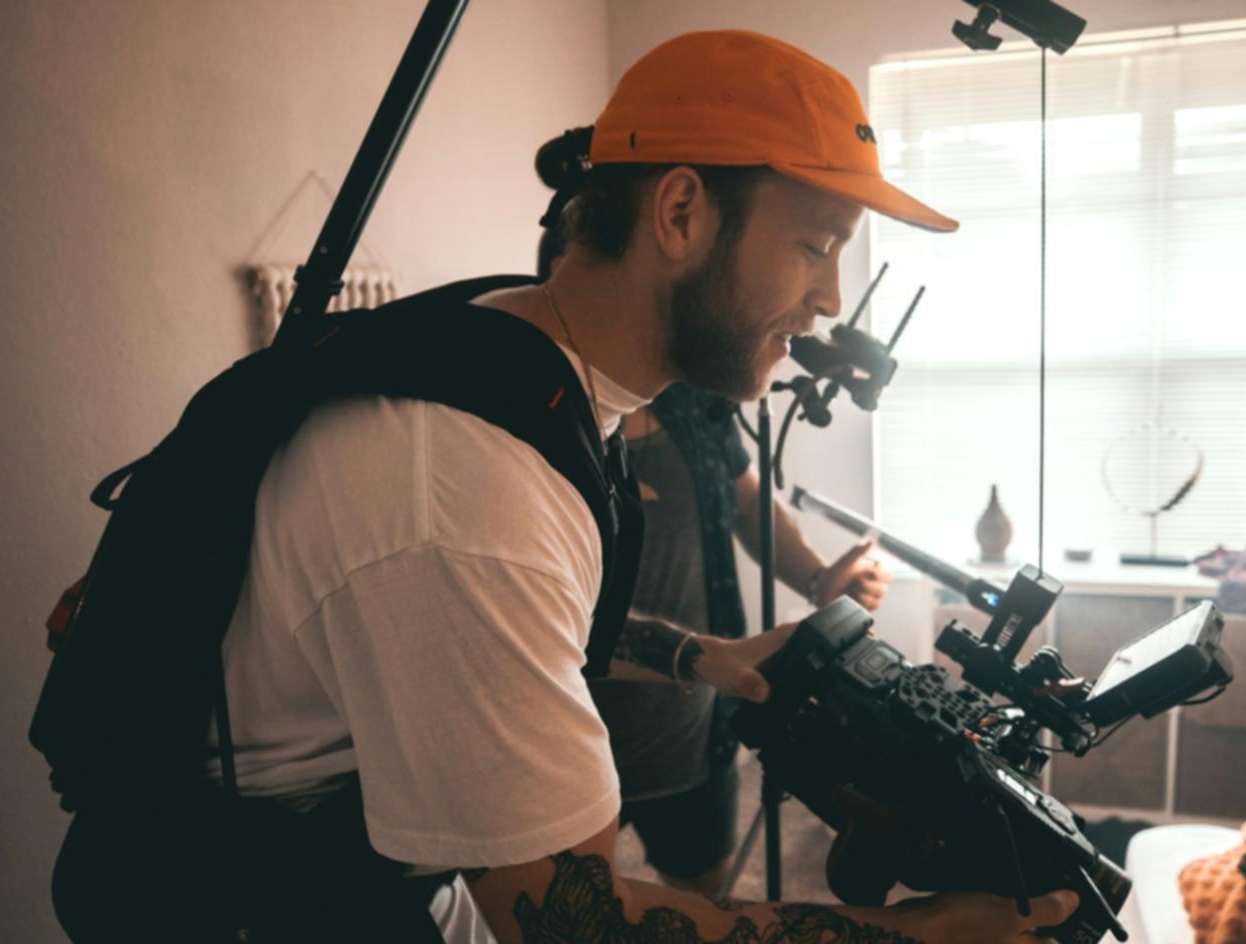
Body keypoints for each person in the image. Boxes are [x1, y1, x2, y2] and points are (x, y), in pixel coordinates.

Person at [215, 28, 1077, 943]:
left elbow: (544, 612)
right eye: (816, 246)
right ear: (678, 214)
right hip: (274, 900)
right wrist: (921, 938)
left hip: (389, 862)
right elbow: (571, 925)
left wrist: (701, 656)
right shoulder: (470, 480)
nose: (829, 297)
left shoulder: (530, 366)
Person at [538, 170, 894, 898]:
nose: (825, 297)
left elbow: (744, 505)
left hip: (693, 730)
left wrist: (821, 580)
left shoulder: (694, 397)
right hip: (563, 745)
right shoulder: (532, 427)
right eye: (811, 246)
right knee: (575, 909)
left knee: (699, 901)